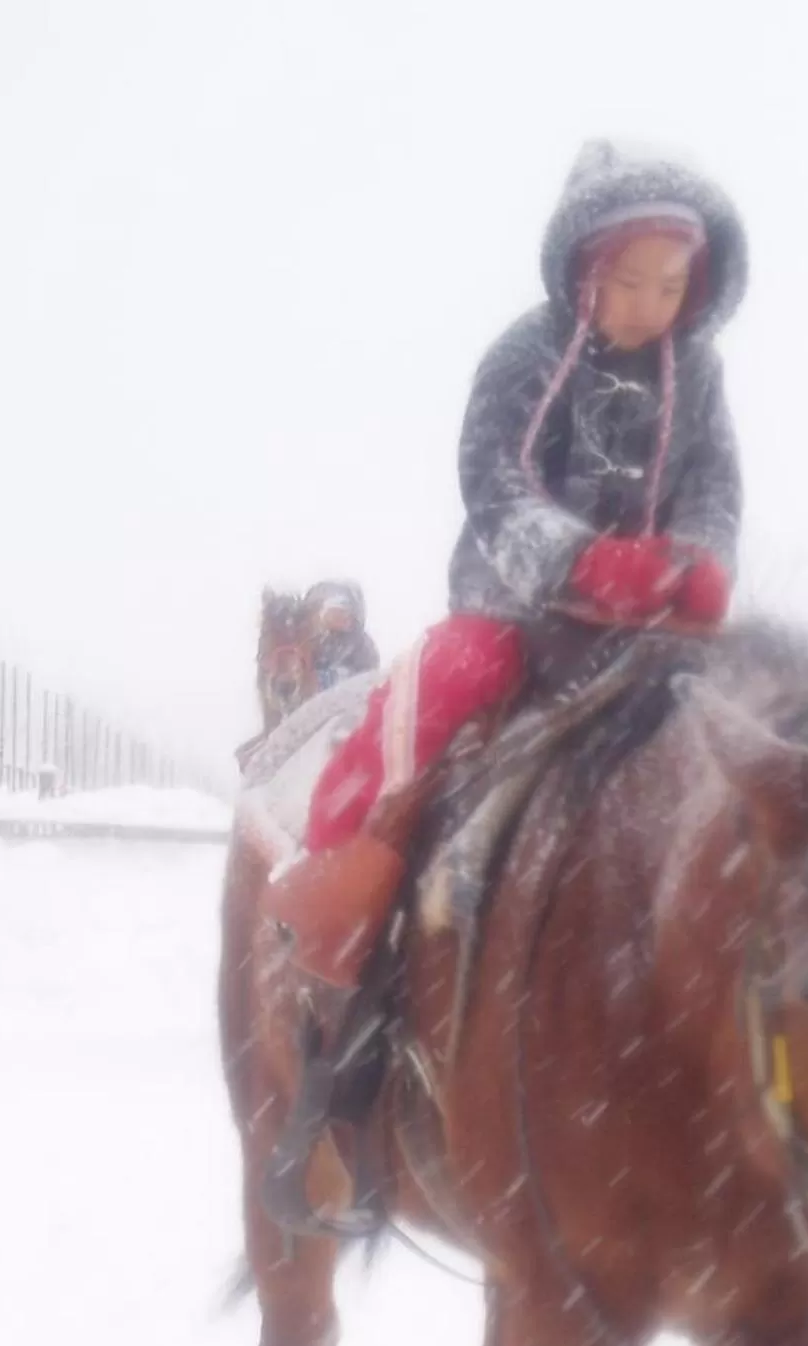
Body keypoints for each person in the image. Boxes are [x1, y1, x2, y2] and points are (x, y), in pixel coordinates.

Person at [256, 141, 747, 1227]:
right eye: (628, 282)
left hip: (650, 629)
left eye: (671, 287)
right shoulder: (527, 355)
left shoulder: (697, 376)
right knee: (442, 683)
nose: (647, 307)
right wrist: (576, 562)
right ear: (582, 269)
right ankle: (349, 878)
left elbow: (714, 487)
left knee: (740, 736)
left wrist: (699, 566)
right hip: (520, 613)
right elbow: (493, 481)